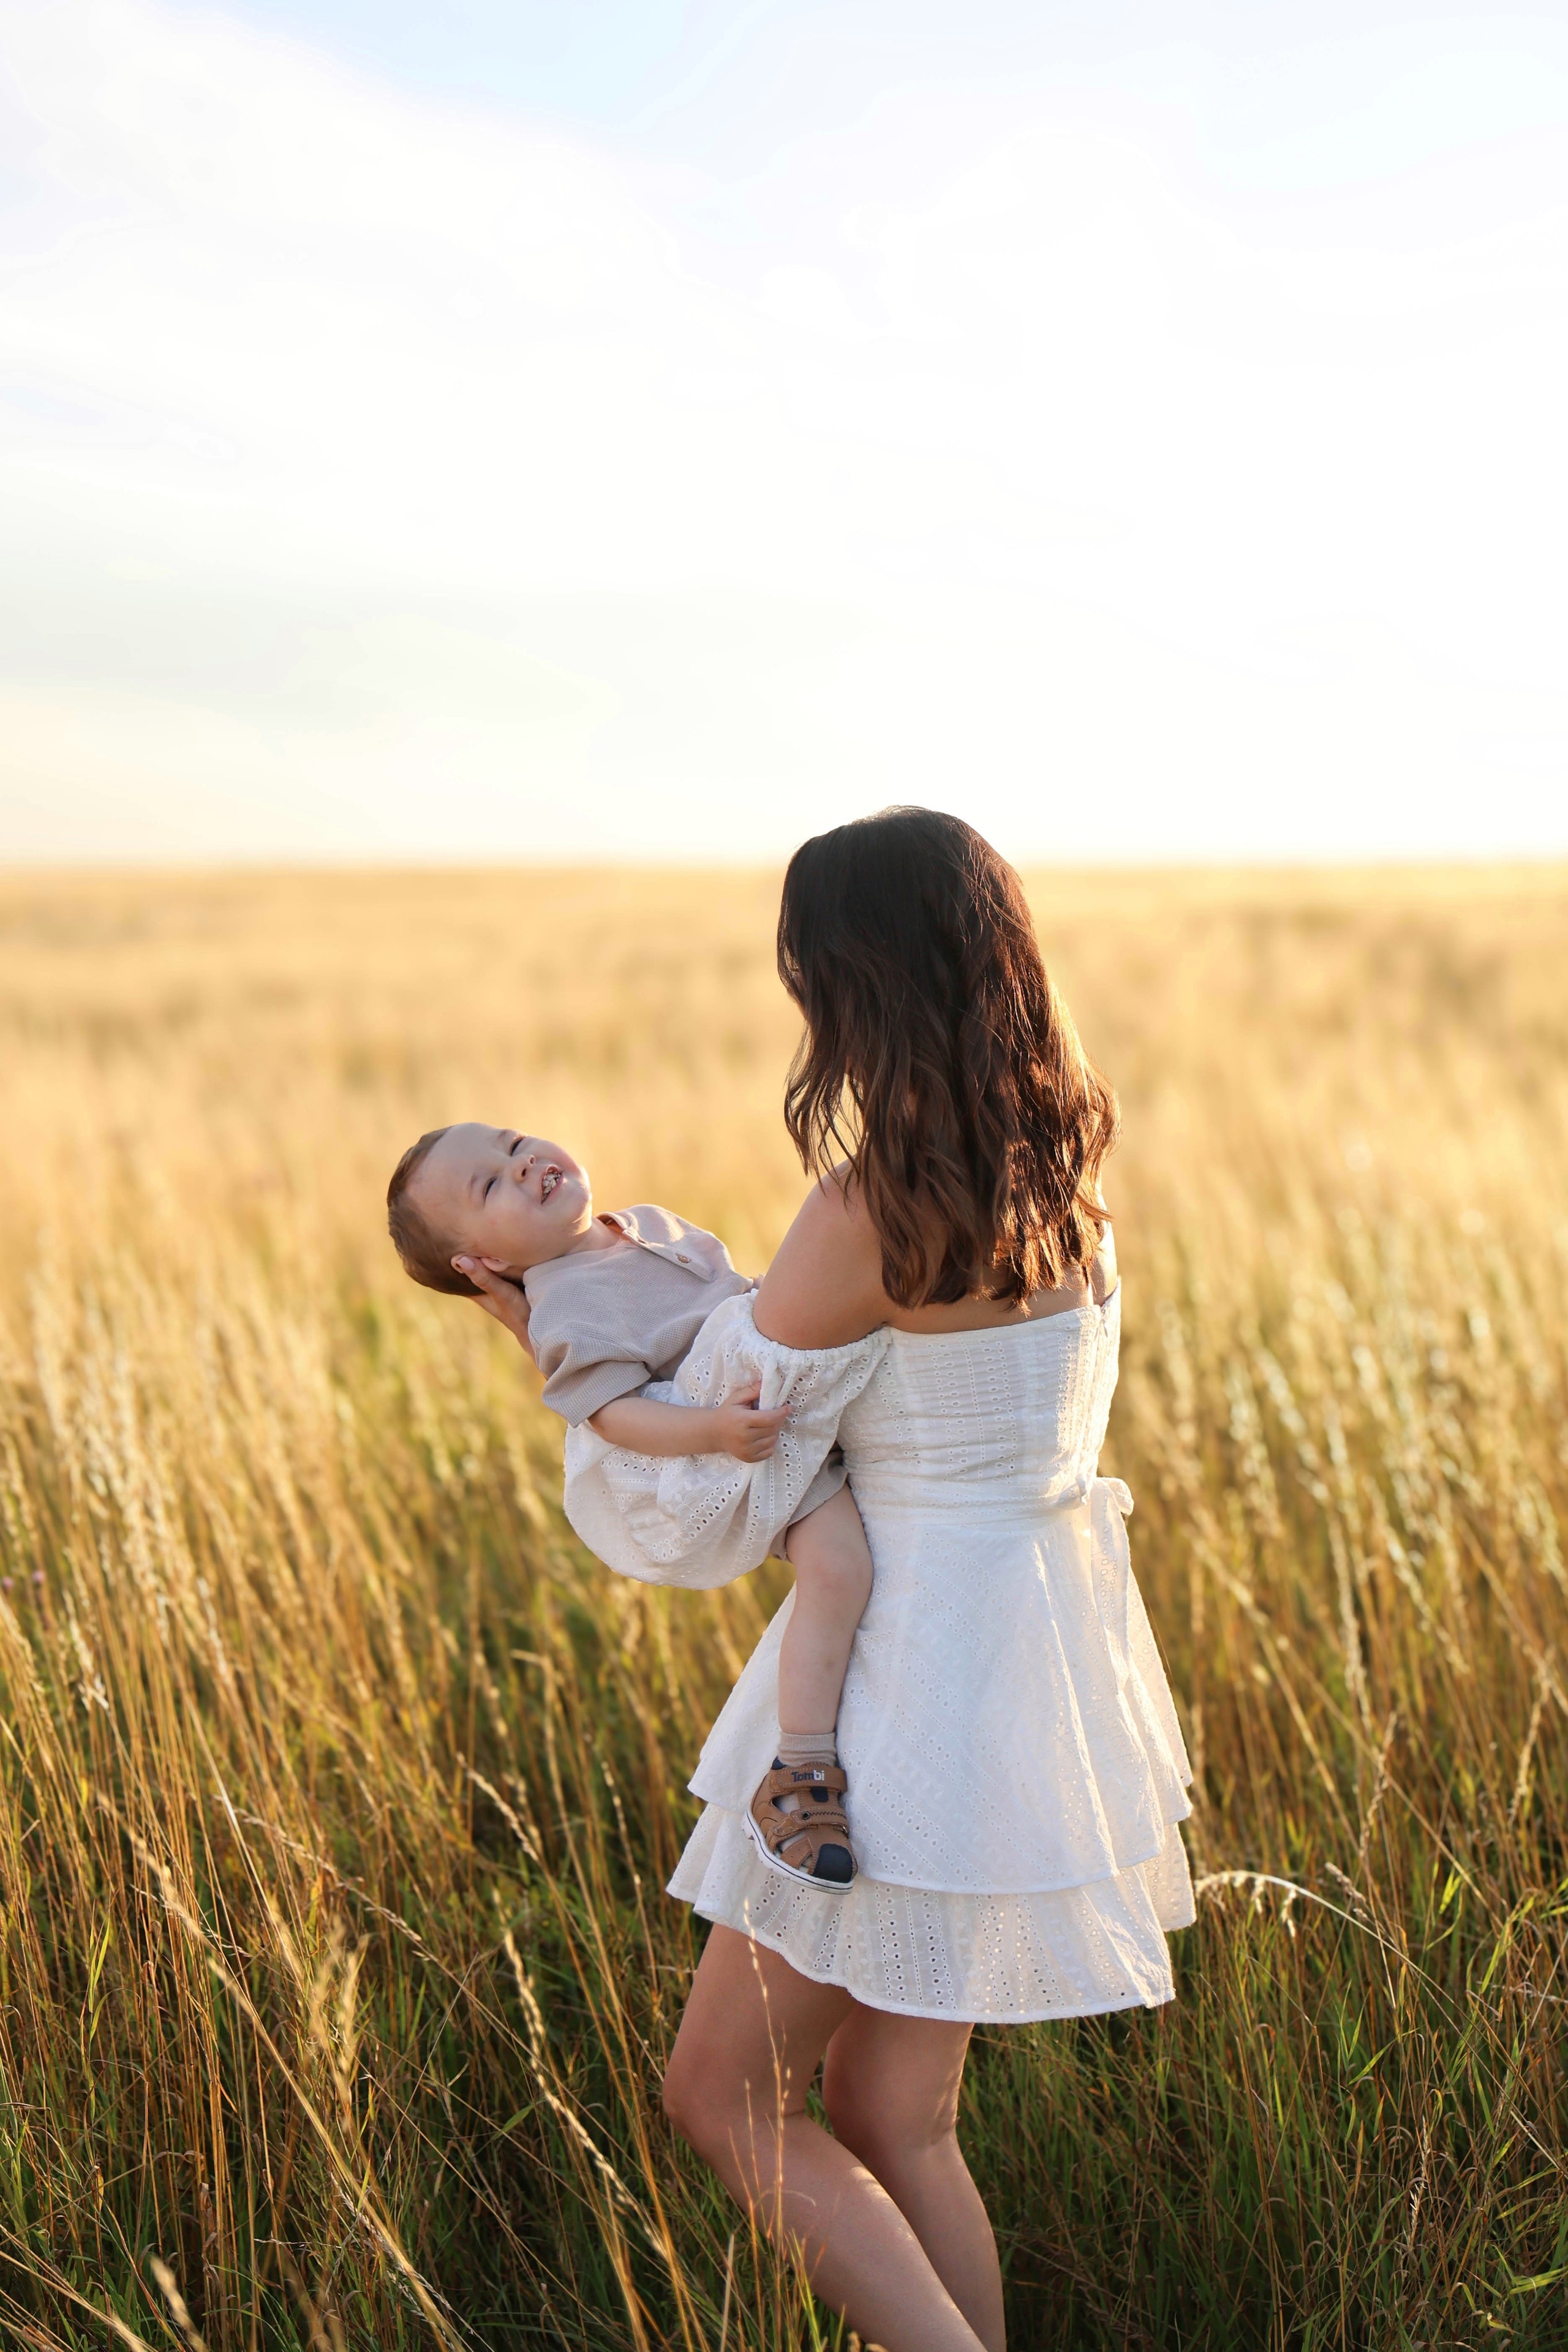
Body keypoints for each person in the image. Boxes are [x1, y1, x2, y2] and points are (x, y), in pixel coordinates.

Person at [459, 808, 1194, 2352]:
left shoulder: (868, 1208)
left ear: (849, 982)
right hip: (1034, 1660)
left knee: (723, 2097)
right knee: (891, 2108)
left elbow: (713, 1480)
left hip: (901, 1675)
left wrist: (559, 1341)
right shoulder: (1065, 1171)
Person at [385, 1125, 876, 1885]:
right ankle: (800, 1773)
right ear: (482, 1264)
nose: (522, 1164)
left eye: (512, 1144)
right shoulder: (563, 1309)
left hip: (798, 1393)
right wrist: (714, 1430)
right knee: (838, 1569)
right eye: (489, 1185)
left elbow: (743, 1298)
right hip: (745, 1446)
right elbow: (613, 1415)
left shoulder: (644, 1223)